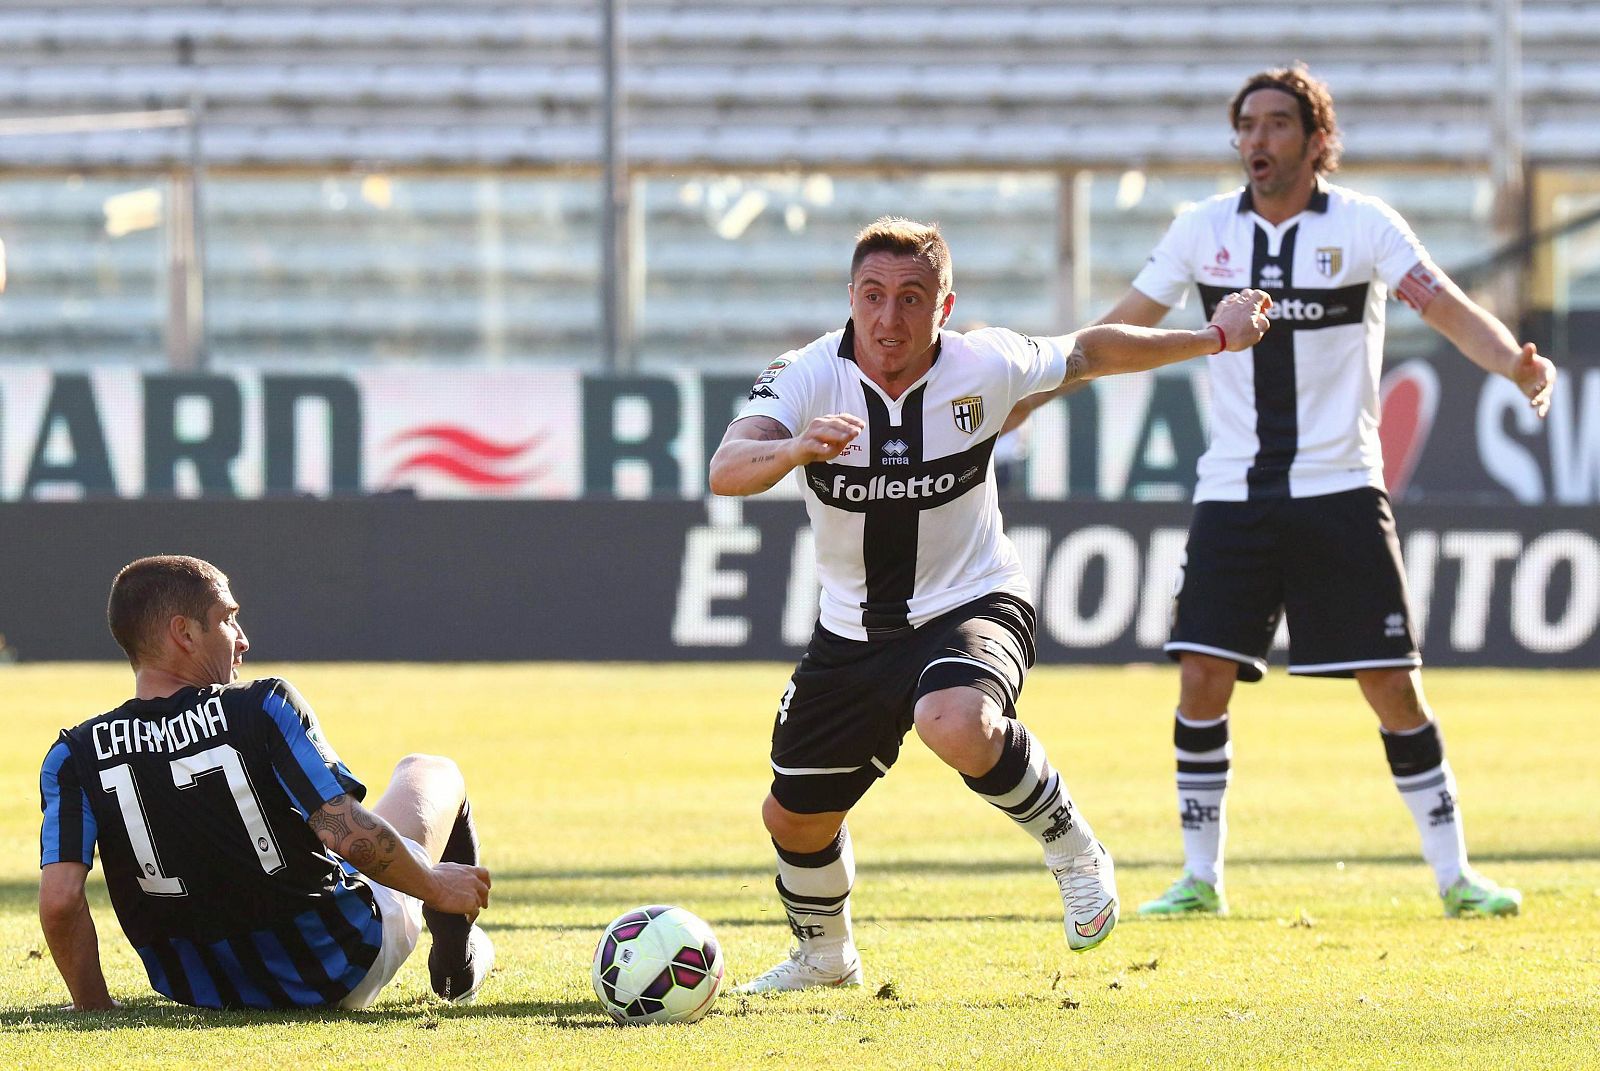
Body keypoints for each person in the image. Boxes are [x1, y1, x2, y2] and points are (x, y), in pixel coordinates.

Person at [1010, 65, 1556, 919]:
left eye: (1275, 124)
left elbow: (1444, 306)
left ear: (1315, 139)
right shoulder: (1202, 230)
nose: (1257, 140)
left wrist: (1512, 362)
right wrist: (1035, 393)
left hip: (1340, 486)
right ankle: (1200, 878)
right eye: (1247, 125)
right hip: (1234, 491)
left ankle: (1456, 877)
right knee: (1201, 677)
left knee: (1392, 684)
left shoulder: (1365, 225)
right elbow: (1122, 326)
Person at [709, 216, 1272, 992]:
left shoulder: (986, 363)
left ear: (944, 307)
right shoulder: (807, 374)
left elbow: (1091, 351)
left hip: (973, 599)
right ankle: (826, 957)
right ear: (850, 298)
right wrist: (796, 449)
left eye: (912, 298)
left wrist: (1212, 338)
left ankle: (1074, 851)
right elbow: (728, 466)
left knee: (955, 721)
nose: (888, 317)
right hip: (854, 630)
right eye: (872, 295)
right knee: (793, 817)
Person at [38, 555, 494, 1011]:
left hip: (205, 992)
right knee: (430, 770)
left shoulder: (72, 756)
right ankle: (458, 965)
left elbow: (60, 900)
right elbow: (346, 833)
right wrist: (435, 887)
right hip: (339, 964)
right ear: (185, 633)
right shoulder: (263, 705)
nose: (242, 640)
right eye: (228, 619)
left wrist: (93, 1006)